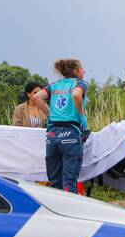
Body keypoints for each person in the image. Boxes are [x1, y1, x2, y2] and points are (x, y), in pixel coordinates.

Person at [32, 59, 88, 192]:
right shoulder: (80, 83)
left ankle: (55, 205)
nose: (84, 71)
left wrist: (49, 114)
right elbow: (76, 94)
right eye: (82, 68)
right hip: (71, 132)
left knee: (54, 183)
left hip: (52, 134)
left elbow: (36, 97)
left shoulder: (54, 85)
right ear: (75, 71)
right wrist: (82, 116)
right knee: (69, 183)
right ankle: (69, 205)